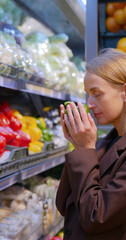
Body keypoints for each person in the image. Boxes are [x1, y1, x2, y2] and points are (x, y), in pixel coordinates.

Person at [56, 48, 126, 240]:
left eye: (97, 93)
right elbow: (64, 204)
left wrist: (85, 149)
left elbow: (95, 217)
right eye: (88, 94)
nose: (90, 103)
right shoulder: (108, 142)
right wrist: (78, 147)